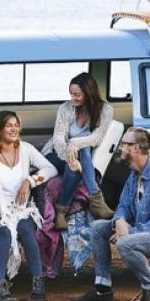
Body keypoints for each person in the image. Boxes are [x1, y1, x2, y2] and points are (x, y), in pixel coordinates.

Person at [67, 127, 150, 301]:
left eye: (125, 144)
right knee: (97, 227)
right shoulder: (134, 175)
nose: (120, 147)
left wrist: (128, 232)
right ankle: (103, 290)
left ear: (136, 149)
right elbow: (123, 206)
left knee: (125, 243)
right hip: (144, 231)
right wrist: (120, 221)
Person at [0, 110, 58, 301]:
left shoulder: (25, 149)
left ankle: (39, 285)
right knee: (4, 234)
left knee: (27, 230)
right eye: (9, 125)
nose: (14, 129)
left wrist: (30, 180)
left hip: (23, 209)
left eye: (16, 125)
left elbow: (50, 168)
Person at [42, 72, 114, 230]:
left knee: (84, 149)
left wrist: (74, 144)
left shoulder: (105, 109)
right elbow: (58, 138)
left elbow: (97, 137)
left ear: (89, 93)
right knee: (77, 157)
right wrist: (70, 156)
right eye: (71, 94)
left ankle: (61, 211)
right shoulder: (65, 108)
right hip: (56, 153)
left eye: (77, 95)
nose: (73, 98)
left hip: (81, 154)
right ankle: (96, 199)